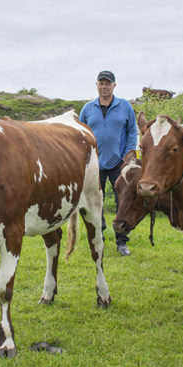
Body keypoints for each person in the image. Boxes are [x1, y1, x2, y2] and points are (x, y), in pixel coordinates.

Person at [79, 70, 138, 256]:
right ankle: (99, 238)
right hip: (94, 164)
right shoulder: (88, 109)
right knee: (96, 202)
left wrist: (128, 153)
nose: (104, 86)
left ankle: (122, 241)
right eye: (101, 83)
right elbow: (80, 134)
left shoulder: (125, 106)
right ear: (96, 85)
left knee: (123, 202)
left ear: (114, 86)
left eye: (108, 83)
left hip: (118, 164)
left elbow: (132, 131)